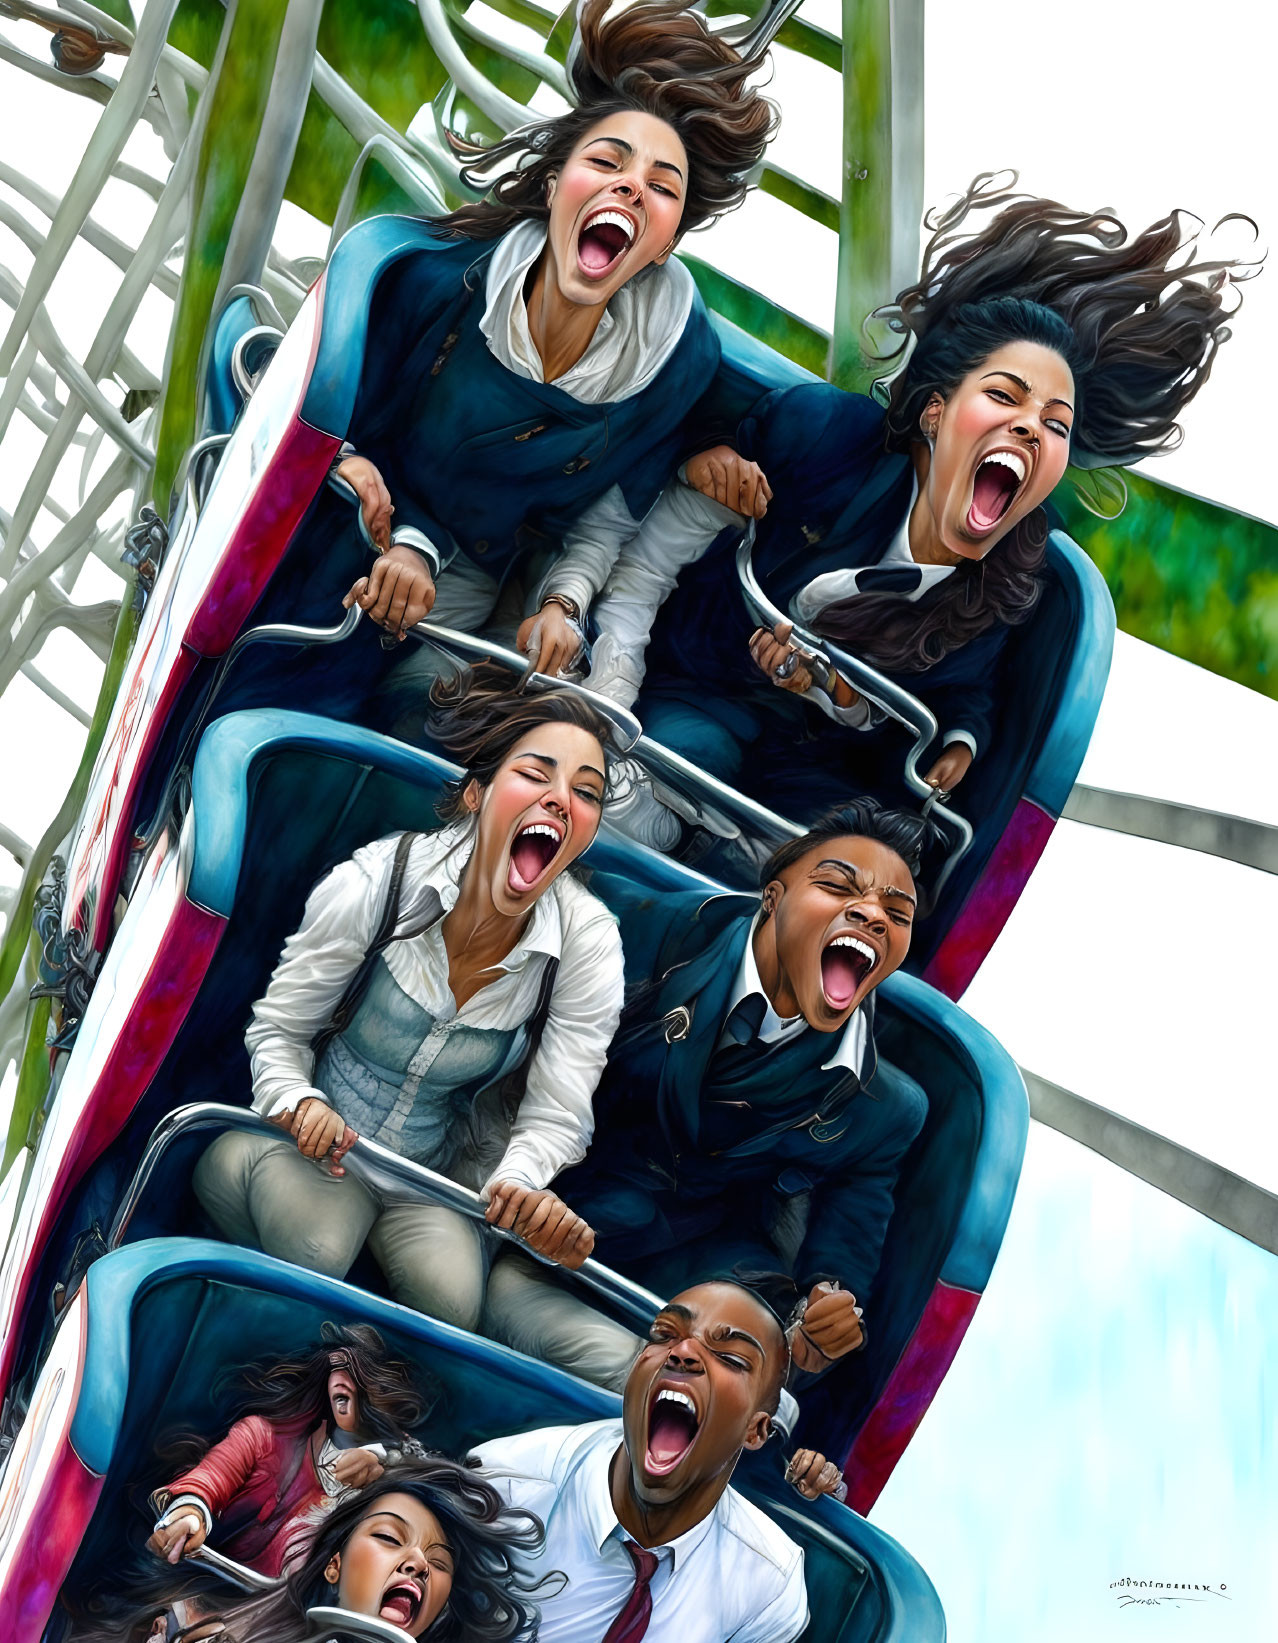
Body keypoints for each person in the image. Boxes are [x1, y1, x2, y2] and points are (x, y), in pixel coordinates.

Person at [578, 173, 1256, 825]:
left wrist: (949, 737)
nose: (1029, 427)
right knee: (670, 780)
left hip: (814, 769)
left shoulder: (1012, 579)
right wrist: (712, 461)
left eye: (1054, 424)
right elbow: (685, 463)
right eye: (1003, 397)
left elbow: (966, 687)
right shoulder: (823, 435)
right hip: (698, 686)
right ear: (934, 413)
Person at [328, 0, 776, 676]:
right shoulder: (434, 283)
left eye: (661, 186)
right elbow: (324, 403)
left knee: (441, 696)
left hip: (469, 585)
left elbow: (611, 514)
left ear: (665, 246)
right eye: (607, 162)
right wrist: (345, 460)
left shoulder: (676, 360)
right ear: (552, 183)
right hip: (342, 525)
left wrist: (565, 604)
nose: (629, 188)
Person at [193, 670, 626, 1333]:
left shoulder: (588, 941)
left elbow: (558, 1113)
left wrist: (517, 1180)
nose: (562, 801)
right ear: (477, 793)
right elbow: (278, 1031)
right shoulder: (377, 881)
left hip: (428, 1181)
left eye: (586, 793)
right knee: (315, 1248)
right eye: (536, 774)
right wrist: (301, 1102)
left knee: (454, 1306)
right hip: (317, 1150)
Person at [483, 800, 927, 1394]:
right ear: (772, 897)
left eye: (896, 914)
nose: (872, 915)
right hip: (544, 1200)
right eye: (836, 886)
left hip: (695, 1256)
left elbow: (851, 1225)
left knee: (772, 1388)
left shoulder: (885, 1108)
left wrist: (824, 1306)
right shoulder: (641, 932)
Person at [472, 1281, 809, 1643]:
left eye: (730, 1358)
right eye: (664, 1335)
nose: (683, 1353)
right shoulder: (505, 1486)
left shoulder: (769, 1587)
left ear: (755, 1431)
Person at [72, 1461, 550, 1643]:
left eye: (439, 1563)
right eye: (388, 1537)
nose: (419, 1564)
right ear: (334, 1563)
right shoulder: (203, 1631)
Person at [146, 1324, 430, 1578]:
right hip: (216, 1592)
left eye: (365, 1394)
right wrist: (190, 1513)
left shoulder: (399, 1470)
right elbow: (212, 1476)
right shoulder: (264, 1437)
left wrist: (388, 1459)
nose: (351, 1408)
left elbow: (438, 1493)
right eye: (342, 1395)